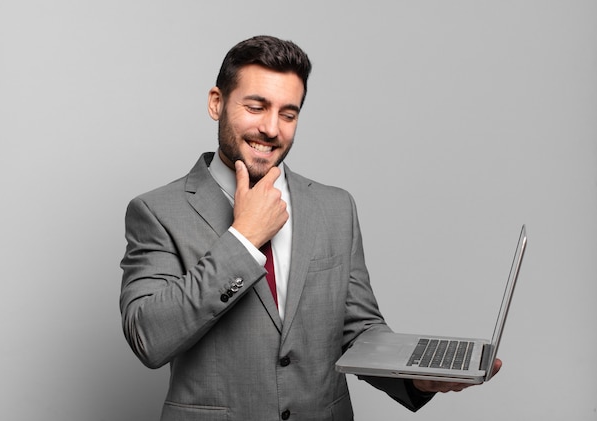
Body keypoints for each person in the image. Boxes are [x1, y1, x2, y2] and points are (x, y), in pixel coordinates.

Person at [120, 35, 501, 421]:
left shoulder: (335, 208)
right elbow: (148, 337)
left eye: (288, 114)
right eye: (256, 107)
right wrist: (244, 239)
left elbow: (358, 329)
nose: (271, 129)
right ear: (216, 103)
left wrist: (414, 374)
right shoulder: (157, 211)